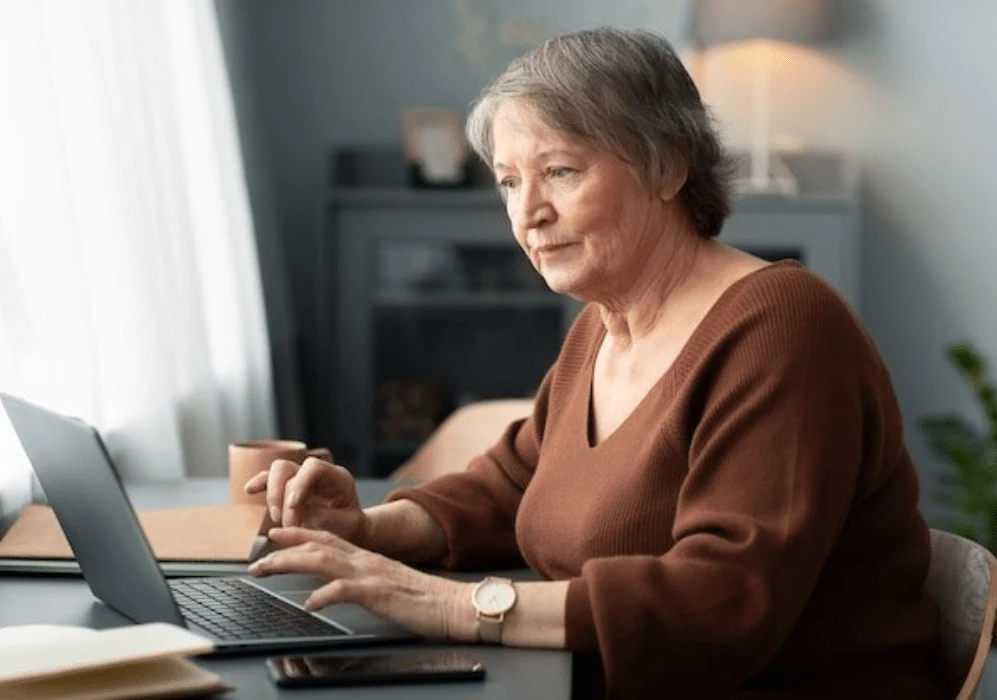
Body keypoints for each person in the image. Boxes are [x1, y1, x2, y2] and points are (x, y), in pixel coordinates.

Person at [245, 28, 944, 700]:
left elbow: (722, 602)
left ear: (668, 165)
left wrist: (454, 605)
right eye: (510, 181)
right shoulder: (601, 327)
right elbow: (515, 482)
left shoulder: (783, 328)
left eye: (559, 171)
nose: (528, 214)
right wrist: (371, 529)